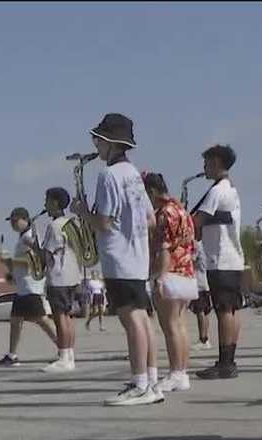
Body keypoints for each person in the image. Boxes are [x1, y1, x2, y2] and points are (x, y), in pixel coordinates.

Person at [70, 112, 162, 405]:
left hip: (118, 258)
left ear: (110, 142)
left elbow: (105, 223)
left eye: (98, 139)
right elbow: (149, 219)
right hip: (137, 256)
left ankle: (139, 385)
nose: (95, 144)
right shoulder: (134, 174)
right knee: (143, 319)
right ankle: (151, 380)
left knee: (131, 318)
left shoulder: (108, 175)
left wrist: (82, 212)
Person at [193, 144, 244, 380]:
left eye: (206, 163)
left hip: (220, 260)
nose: (204, 167)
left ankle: (225, 362)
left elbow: (198, 221)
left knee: (224, 311)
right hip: (231, 259)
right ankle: (229, 360)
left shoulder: (217, 191)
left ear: (216, 163)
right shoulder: (230, 188)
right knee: (230, 310)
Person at [144, 172, 197, 392]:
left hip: (170, 272)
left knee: (170, 327)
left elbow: (164, 249)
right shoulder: (182, 210)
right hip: (186, 272)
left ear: (152, 192)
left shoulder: (164, 214)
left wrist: (159, 277)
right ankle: (181, 372)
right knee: (180, 325)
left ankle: (176, 372)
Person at [0, 207, 58, 366]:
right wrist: (12, 269)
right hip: (23, 287)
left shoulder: (28, 238)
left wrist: (10, 262)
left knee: (41, 319)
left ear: (25, 220)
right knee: (16, 320)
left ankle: (64, 347)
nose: (13, 225)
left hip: (31, 287)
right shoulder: (23, 237)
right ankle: (12, 355)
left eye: (16, 221)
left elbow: (35, 260)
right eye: (12, 222)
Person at [41, 187, 84, 373]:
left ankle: (64, 357)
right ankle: (70, 354)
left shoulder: (54, 226)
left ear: (56, 203)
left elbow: (48, 255)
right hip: (73, 275)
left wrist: (36, 248)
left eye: (47, 201)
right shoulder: (72, 222)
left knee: (60, 318)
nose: (45, 205)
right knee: (68, 317)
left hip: (58, 277)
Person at [189, 241, 213, 349]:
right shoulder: (206, 244)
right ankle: (205, 338)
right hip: (205, 283)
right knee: (205, 311)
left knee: (200, 312)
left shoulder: (197, 245)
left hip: (199, 283)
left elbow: (190, 260)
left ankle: (203, 339)